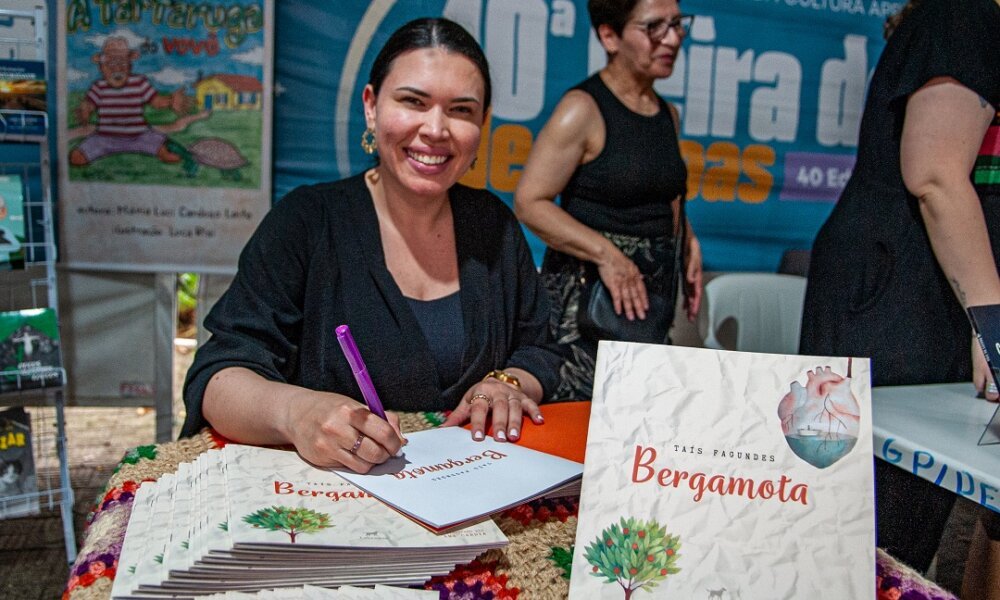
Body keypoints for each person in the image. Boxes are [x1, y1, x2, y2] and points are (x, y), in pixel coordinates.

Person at [180, 18, 561, 473]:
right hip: (332, 505)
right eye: (412, 102)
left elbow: (539, 350)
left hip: (476, 502)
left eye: (460, 110)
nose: (436, 129)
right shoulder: (307, 221)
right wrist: (296, 413)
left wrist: (507, 383)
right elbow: (219, 377)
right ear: (371, 106)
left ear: (482, 124)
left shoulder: (493, 224)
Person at [799, 0, 1000, 575]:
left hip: (920, 292)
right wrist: (993, 326)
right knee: (868, 541)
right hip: (899, 296)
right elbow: (933, 172)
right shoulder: (964, 16)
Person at [514, 0, 702, 401]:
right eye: (654, 27)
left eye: (677, 24)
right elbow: (531, 202)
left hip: (647, 309)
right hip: (586, 310)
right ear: (609, 36)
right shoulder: (581, 109)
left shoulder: (667, 114)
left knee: (640, 417)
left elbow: (664, 194)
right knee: (583, 420)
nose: (672, 39)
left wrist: (687, 241)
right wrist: (608, 256)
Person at [69, 37, 191, 166]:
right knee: (76, 158)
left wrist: (171, 101)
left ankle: (164, 153)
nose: (117, 68)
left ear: (129, 65)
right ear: (102, 68)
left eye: (122, 63)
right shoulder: (99, 86)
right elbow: (90, 105)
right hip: (105, 138)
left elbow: (156, 101)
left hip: (139, 135)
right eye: (111, 64)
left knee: (161, 147)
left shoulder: (139, 82)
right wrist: (85, 110)